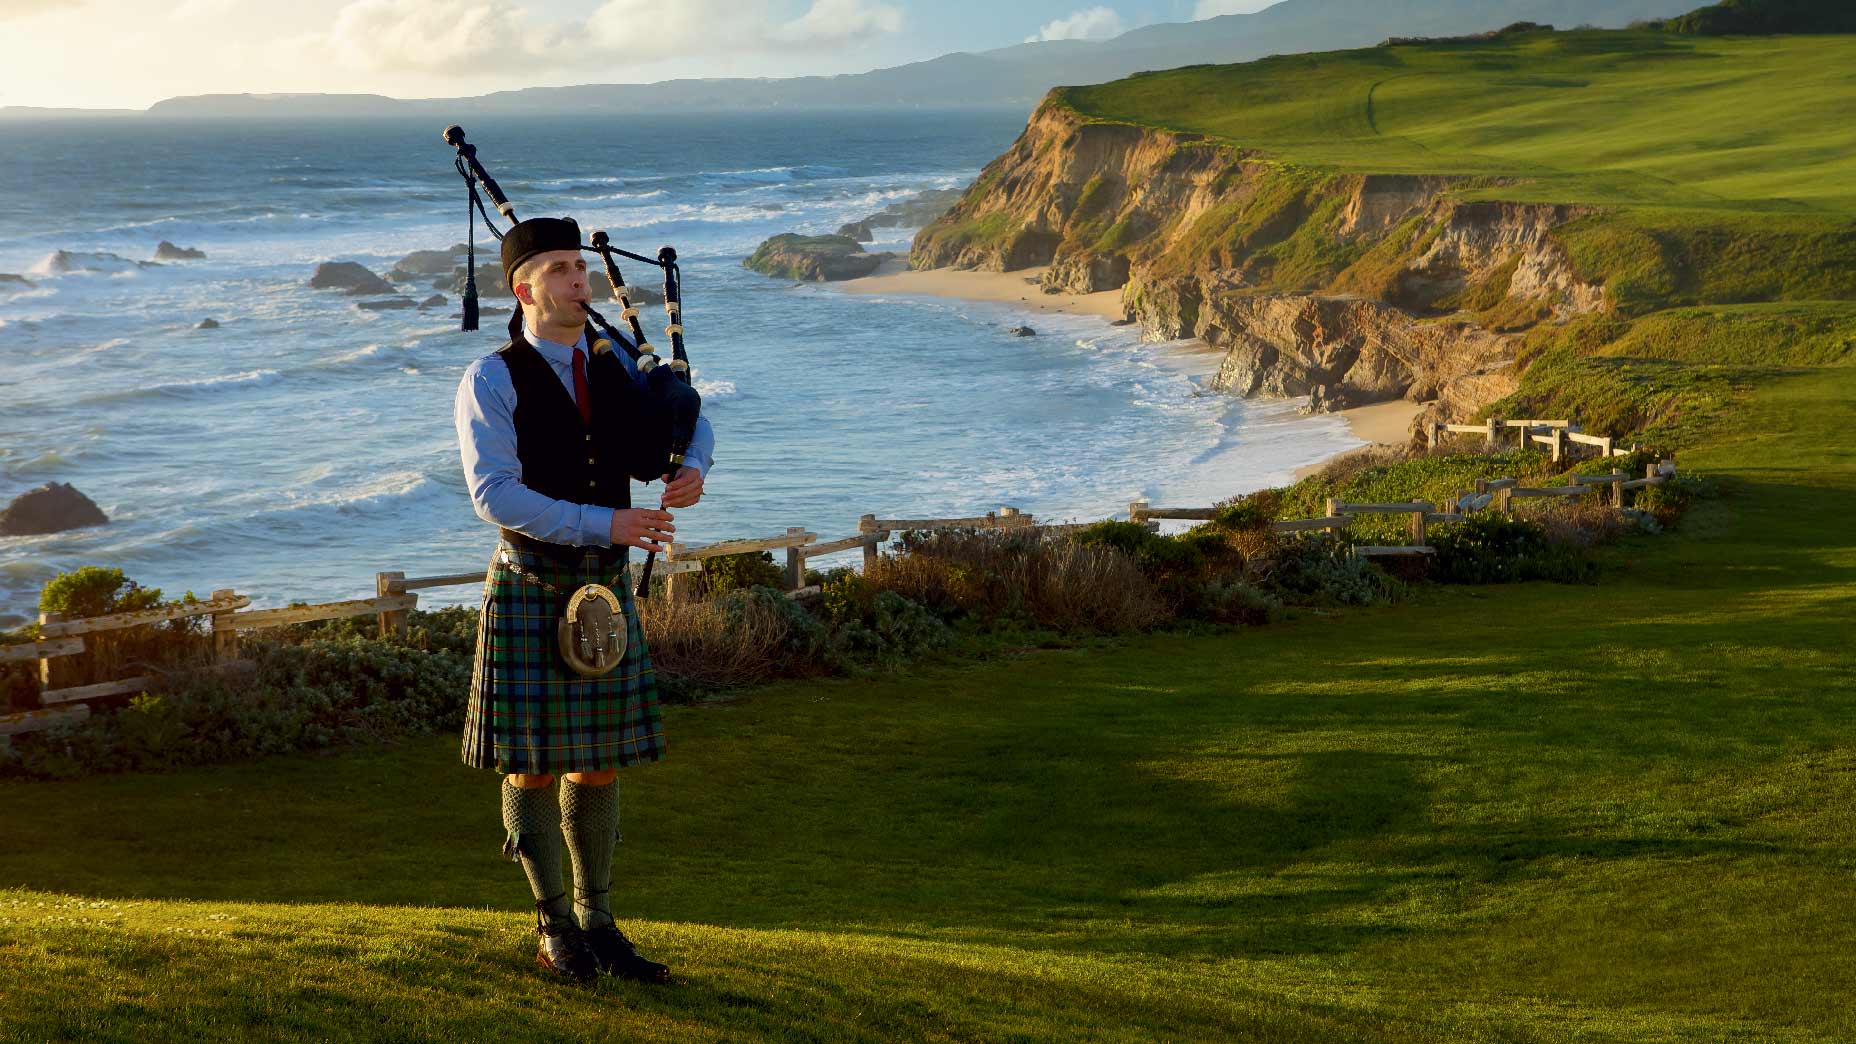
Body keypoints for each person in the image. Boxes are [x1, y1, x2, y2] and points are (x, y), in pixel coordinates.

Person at [452, 216, 714, 982]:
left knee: (597, 765)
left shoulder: (613, 366)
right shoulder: (491, 378)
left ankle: (600, 922)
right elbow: (493, 494)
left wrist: (692, 467)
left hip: (600, 584)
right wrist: (611, 521)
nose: (580, 280)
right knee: (532, 766)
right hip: (534, 581)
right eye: (562, 268)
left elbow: (687, 413)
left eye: (581, 267)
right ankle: (552, 924)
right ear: (523, 287)